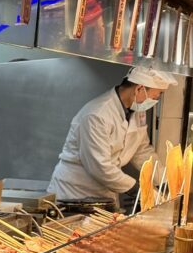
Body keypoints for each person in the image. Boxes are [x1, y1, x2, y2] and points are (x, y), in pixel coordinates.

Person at [48, 66, 176, 204]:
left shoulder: (137, 110)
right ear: (139, 89)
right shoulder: (97, 115)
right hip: (74, 194)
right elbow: (100, 167)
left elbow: (141, 151)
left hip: (105, 193)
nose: (157, 99)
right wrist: (139, 190)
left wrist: (165, 180)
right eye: (158, 94)